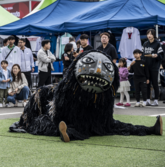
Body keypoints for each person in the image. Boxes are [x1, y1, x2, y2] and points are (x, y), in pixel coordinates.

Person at [10, 50, 163, 142]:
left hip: (85, 111)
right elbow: (53, 113)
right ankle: (65, 132)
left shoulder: (101, 97)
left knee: (112, 125)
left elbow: (107, 120)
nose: (97, 70)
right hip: (55, 110)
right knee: (48, 121)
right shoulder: (56, 92)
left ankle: (150, 129)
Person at [141, 29, 163, 106]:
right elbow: (142, 55)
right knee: (147, 83)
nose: (149, 35)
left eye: (151, 34)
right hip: (146, 67)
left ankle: (156, 100)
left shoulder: (158, 44)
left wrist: (157, 56)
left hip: (154, 67)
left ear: (154, 35)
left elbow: (161, 55)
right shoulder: (145, 43)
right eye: (148, 34)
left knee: (155, 83)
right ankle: (147, 100)